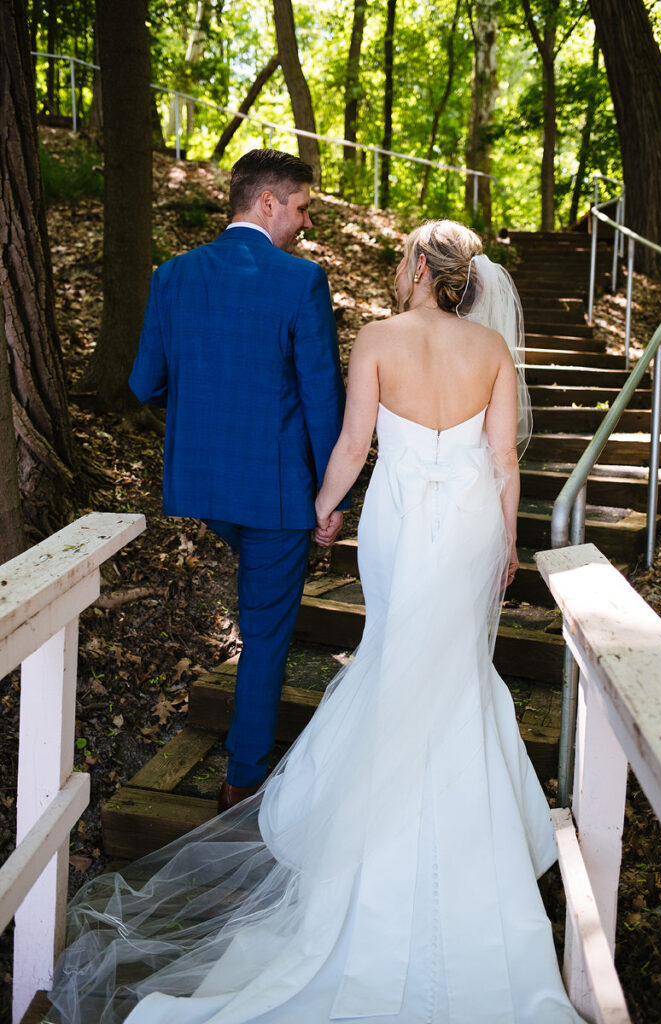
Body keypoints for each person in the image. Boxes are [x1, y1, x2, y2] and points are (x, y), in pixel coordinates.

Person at [48, 221, 586, 1024]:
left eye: (399, 258)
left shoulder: (376, 337)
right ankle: (466, 854)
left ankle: (374, 847)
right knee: (452, 672)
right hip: (473, 523)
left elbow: (353, 444)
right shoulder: (491, 352)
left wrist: (322, 510)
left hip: (402, 524)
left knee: (396, 654)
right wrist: (507, 540)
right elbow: (504, 460)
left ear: (415, 268)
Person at [128, 149, 349, 815]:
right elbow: (323, 401)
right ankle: (242, 781)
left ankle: (244, 771)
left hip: (202, 483)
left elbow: (145, 384)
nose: (306, 223)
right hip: (276, 495)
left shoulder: (172, 275)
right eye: (303, 208)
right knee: (266, 635)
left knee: (258, 595)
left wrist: (203, 417)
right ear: (268, 203)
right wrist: (329, 498)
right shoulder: (300, 281)